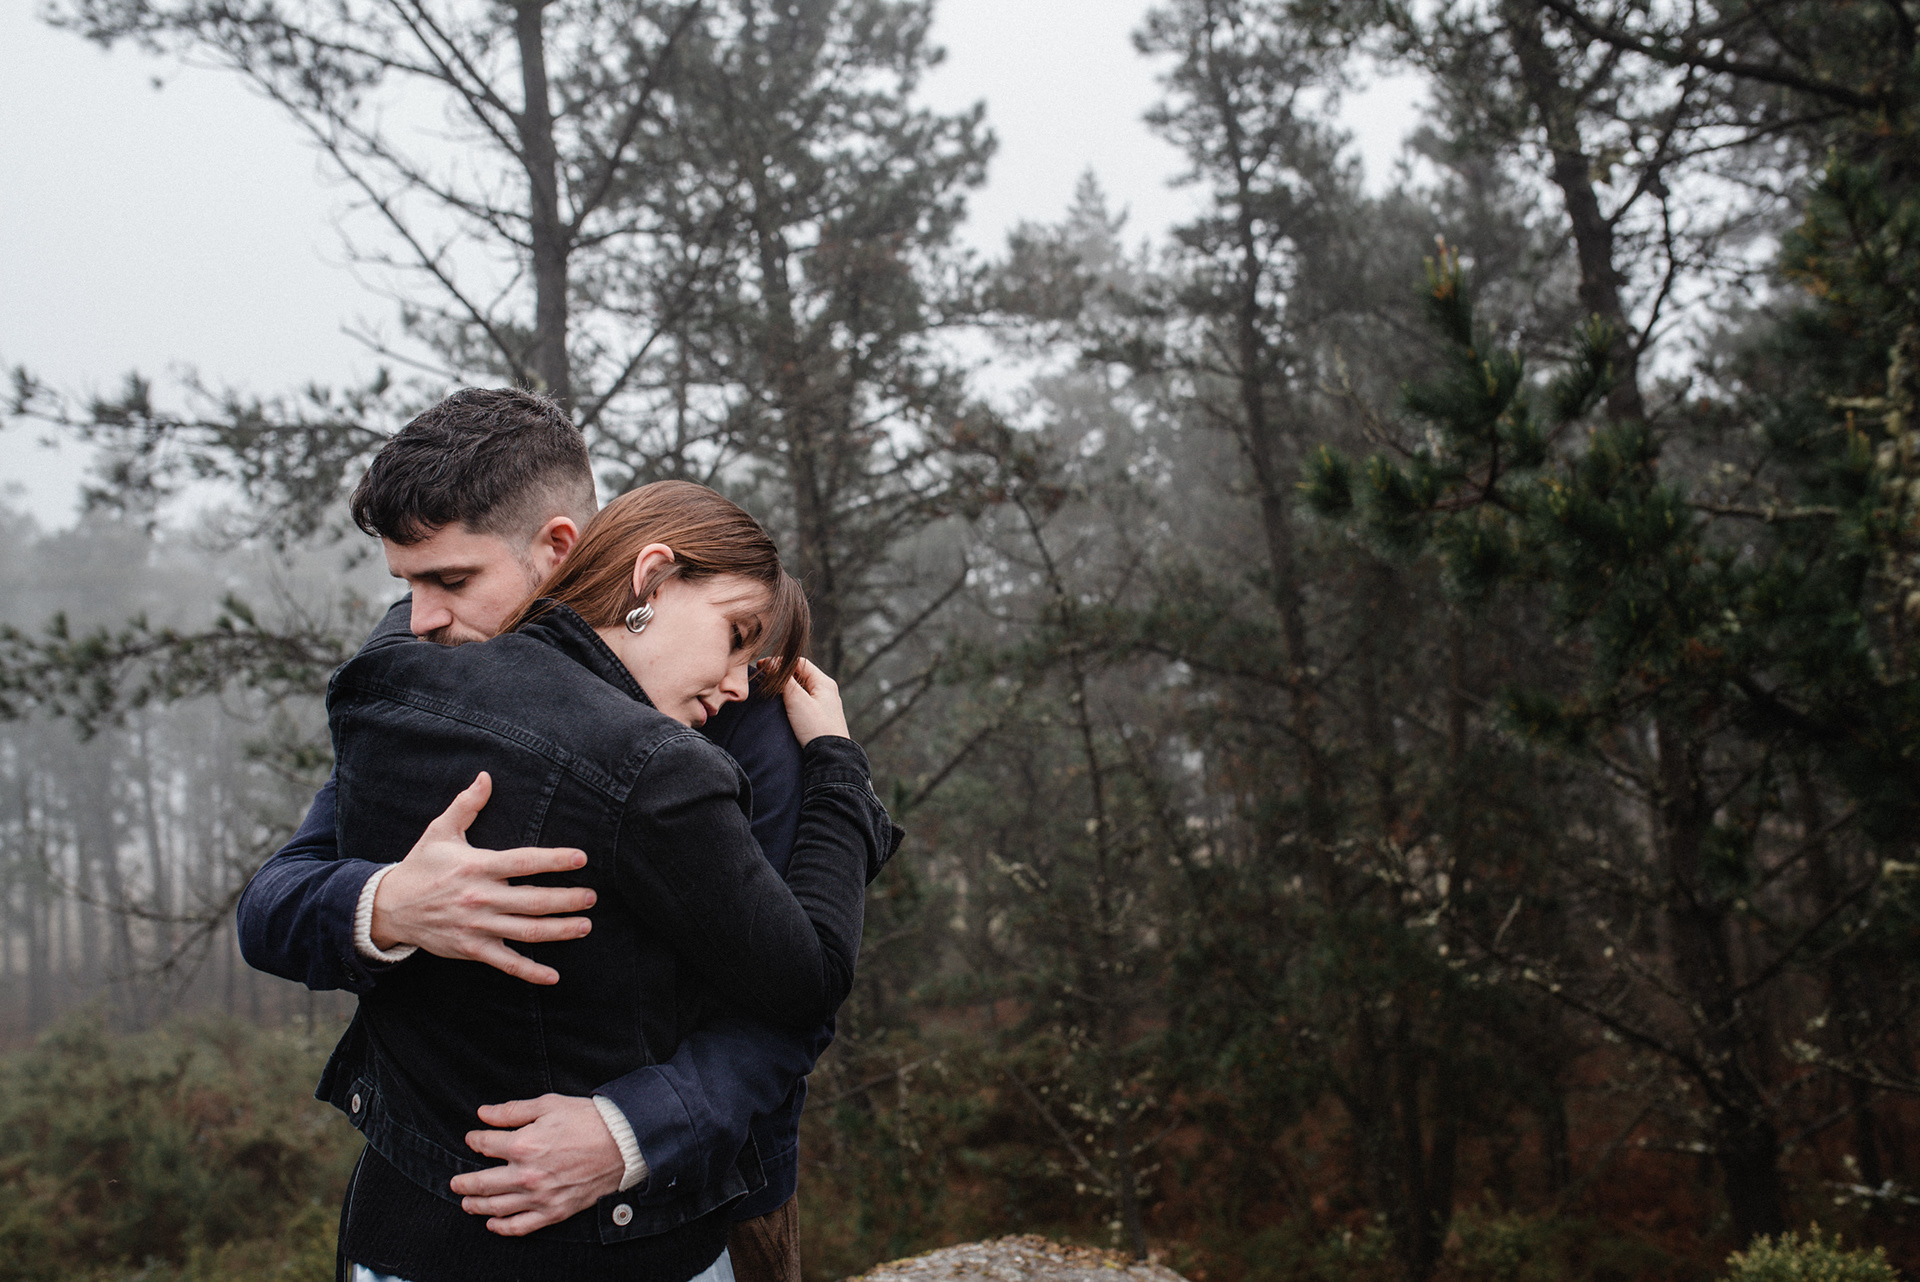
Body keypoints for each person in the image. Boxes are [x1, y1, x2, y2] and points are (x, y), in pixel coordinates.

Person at [237, 389, 879, 1281]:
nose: (419, 618)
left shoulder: (735, 710)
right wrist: (387, 905)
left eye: (452, 581)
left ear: (559, 548)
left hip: (694, 1208)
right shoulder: (426, 682)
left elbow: (793, 991)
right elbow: (272, 905)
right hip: (428, 1217)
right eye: (407, 585)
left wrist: (633, 1129)